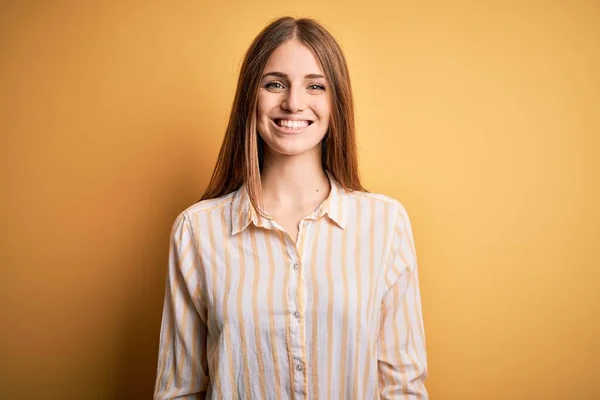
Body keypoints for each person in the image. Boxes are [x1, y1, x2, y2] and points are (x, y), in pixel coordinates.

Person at [153, 16, 428, 400]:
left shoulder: (385, 225)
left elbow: (402, 388)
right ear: (251, 96)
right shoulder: (197, 232)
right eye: (275, 84)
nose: (293, 102)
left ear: (337, 102)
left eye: (315, 85)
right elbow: (179, 391)